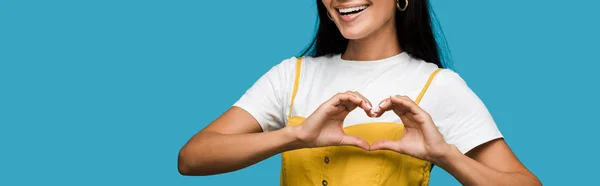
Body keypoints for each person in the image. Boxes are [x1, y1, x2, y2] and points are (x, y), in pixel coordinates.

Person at [178, 0, 542, 185]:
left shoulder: (438, 86)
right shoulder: (292, 75)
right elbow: (192, 159)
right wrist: (294, 137)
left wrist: (445, 156)